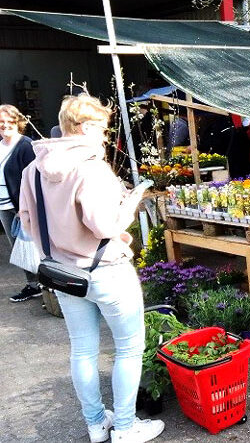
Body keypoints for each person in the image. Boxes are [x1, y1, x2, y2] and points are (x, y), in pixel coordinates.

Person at [18, 94, 165, 442]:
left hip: (64, 273)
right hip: (106, 270)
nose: (105, 135)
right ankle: (127, 428)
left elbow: (26, 223)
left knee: (82, 349)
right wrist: (130, 205)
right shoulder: (91, 168)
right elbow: (105, 226)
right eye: (101, 128)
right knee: (128, 348)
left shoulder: (32, 170)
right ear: (84, 127)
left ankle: (96, 423)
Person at [0, 104, 41, 302]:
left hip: (20, 208)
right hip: (3, 207)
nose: (5, 125)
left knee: (33, 246)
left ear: (18, 123)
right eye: (1, 122)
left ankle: (47, 284)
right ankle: (33, 285)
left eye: (9, 121)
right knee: (19, 247)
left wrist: (24, 207)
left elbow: (33, 179)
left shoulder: (26, 146)